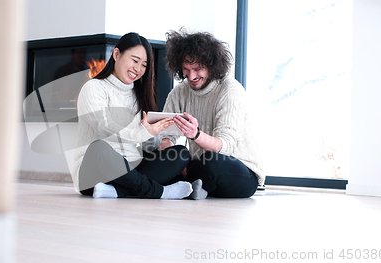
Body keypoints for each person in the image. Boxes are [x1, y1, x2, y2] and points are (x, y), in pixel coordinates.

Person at [72, 32, 193, 199]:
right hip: (94, 173)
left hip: (130, 170)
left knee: (180, 153)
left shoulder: (139, 95)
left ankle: (116, 192)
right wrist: (143, 131)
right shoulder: (93, 88)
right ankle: (159, 191)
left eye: (144, 65)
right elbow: (105, 129)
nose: (138, 69)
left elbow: (145, 147)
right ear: (116, 54)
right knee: (98, 147)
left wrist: (159, 132)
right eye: (135, 61)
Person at [160, 29, 265, 199]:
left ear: (212, 65)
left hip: (238, 170)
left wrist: (196, 135)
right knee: (164, 156)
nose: (191, 76)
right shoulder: (179, 92)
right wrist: (176, 163)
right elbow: (164, 137)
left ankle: (186, 186)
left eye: (198, 69)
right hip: (199, 167)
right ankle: (194, 187)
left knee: (211, 162)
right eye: (186, 69)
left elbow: (226, 147)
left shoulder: (230, 89)